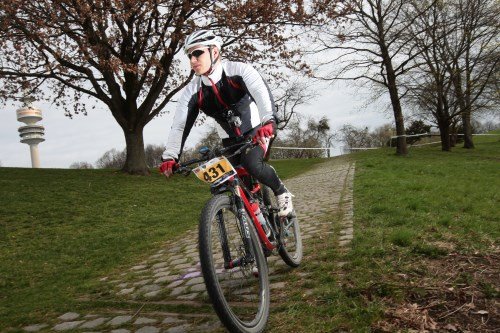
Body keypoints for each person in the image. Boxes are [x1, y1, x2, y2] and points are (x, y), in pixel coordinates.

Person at [159, 30, 293, 217]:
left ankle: (281, 191)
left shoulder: (238, 70)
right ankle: (260, 223)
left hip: (256, 130)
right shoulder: (192, 91)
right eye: (190, 55)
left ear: (214, 52)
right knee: (229, 180)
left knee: (252, 164)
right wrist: (170, 157)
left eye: (198, 53)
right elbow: (180, 125)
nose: (192, 60)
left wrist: (269, 120)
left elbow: (261, 93)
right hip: (230, 141)